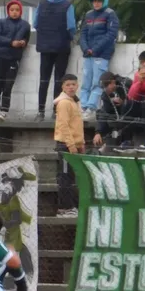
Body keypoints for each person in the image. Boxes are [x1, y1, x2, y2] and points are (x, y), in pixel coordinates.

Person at [34, 0, 76, 121]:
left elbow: (36, 23)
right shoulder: (67, 4)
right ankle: (56, 111)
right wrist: (70, 38)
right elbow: (71, 27)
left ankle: (40, 112)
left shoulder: (42, 3)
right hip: (62, 46)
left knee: (43, 79)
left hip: (45, 46)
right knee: (59, 79)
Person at [78, 0, 120, 120]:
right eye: (94, 1)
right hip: (88, 54)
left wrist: (95, 49)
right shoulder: (89, 14)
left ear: (104, 1)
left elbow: (111, 35)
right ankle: (83, 107)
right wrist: (85, 48)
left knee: (97, 82)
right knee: (86, 82)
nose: (96, 3)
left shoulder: (110, 14)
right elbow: (83, 33)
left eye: (99, 1)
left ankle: (91, 107)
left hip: (101, 54)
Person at [0, 0, 31, 121]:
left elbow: (26, 39)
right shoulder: (1, 22)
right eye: (12, 10)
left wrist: (23, 42)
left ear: (21, 12)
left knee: (8, 86)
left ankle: (4, 111)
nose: (14, 12)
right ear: (8, 11)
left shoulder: (25, 25)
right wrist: (11, 42)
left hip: (14, 59)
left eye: (17, 10)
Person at [53, 74, 84, 215]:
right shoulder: (64, 103)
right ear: (63, 87)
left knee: (71, 178)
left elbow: (77, 126)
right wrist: (71, 145)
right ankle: (64, 208)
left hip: (74, 145)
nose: (71, 87)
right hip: (65, 145)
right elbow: (63, 125)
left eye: (73, 84)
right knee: (65, 177)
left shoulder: (75, 101)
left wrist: (80, 143)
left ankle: (70, 206)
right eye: (68, 85)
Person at [94, 72, 134, 152]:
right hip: (118, 115)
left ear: (113, 82)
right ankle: (107, 139)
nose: (106, 90)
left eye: (107, 86)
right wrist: (98, 132)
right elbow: (104, 112)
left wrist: (123, 102)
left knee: (126, 106)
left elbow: (134, 99)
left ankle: (126, 141)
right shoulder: (106, 94)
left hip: (134, 110)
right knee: (100, 112)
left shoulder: (124, 85)